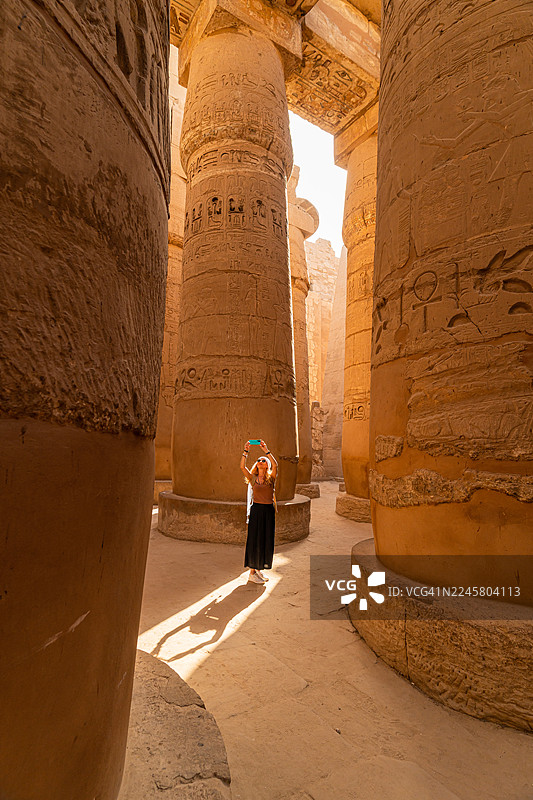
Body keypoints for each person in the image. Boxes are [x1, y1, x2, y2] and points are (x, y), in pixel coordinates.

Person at [240, 439, 278, 584]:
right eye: (259, 460)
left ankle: (258, 569)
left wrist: (266, 450)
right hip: (256, 510)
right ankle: (251, 572)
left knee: (265, 540)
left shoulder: (271, 478)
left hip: (268, 511)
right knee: (254, 539)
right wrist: (246, 451)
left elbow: (275, 465)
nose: (261, 461)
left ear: (267, 465)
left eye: (263, 460)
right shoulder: (252, 478)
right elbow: (242, 466)